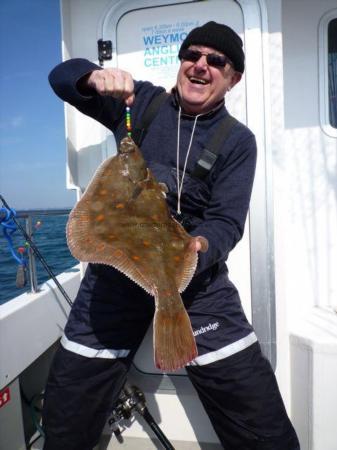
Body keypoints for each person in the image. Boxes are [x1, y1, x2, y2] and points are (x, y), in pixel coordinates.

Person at [42, 21, 300, 450]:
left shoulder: (238, 141)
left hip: (194, 282)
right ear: (180, 63)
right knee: (67, 410)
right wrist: (91, 77)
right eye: (192, 55)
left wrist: (199, 247)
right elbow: (61, 78)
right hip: (115, 277)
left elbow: (226, 221)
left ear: (232, 78)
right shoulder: (139, 103)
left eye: (215, 61)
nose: (201, 66)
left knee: (263, 425)